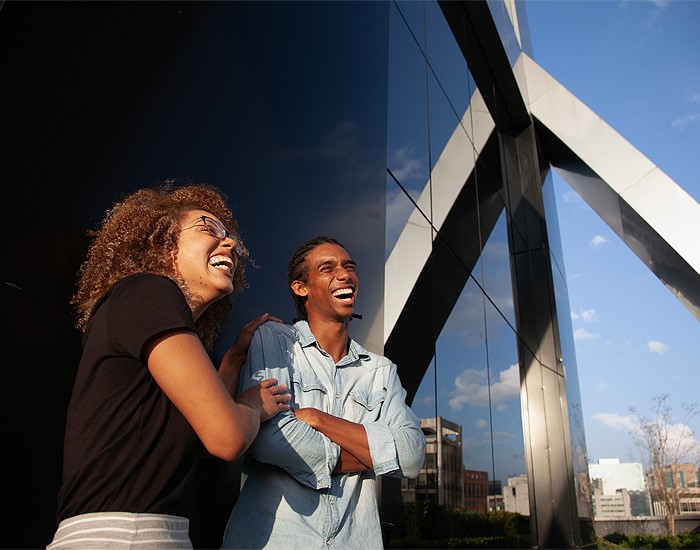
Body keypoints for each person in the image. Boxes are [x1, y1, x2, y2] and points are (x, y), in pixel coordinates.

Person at [48, 182, 291, 549]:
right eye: (208, 229)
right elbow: (226, 437)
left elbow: (205, 429)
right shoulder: (149, 290)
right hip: (126, 536)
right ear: (162, 247)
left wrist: (234, 357)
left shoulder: (149, 318)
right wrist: (256, 405)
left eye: (232, 239)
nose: (230, 245)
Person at [222, 235, 426, 549]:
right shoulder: (275, 340)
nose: (345, 275)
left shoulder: (380, 371)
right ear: (300, 288)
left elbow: (412, 455)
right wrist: (373, 454)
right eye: (327, 268)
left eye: (349, 267)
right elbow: (269, 440)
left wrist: (318, 419)